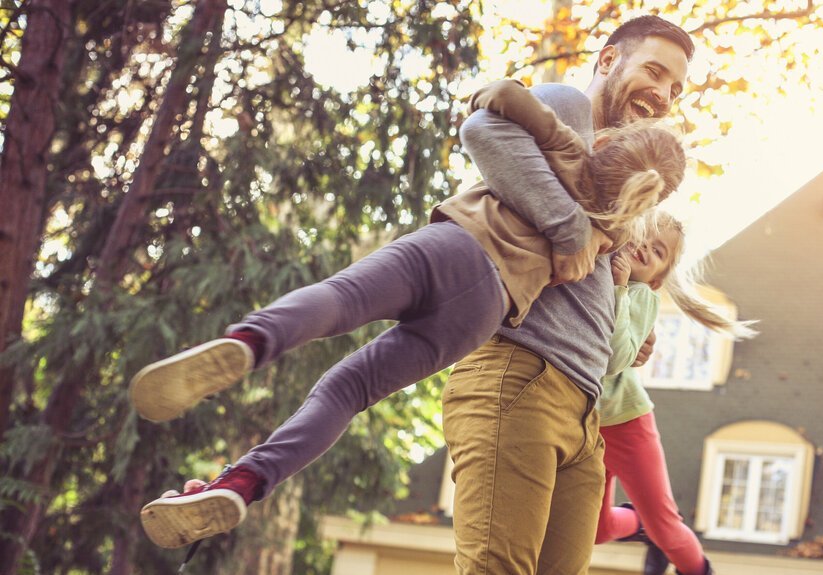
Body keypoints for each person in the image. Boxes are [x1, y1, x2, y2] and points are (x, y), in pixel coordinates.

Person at [133, 77, 686, 549]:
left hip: (458, 251)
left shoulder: (569, 148)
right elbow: (599, 292)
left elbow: (498, 99)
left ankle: (251, 341)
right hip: (482, 315)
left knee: (342, 300)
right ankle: (245, 482)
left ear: (604, 141)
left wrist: (499, 97)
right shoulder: (608, 236)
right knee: (350, 390)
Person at [440, 15, 698, 575]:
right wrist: (570, 230)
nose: (663, 94)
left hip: (584, 409)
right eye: (654, 72)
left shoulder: (624, 169)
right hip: (521, 375)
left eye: (675, 89)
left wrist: (623, 328)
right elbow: (481, 129)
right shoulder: (569, 108)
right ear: (608, 60)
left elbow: (594, 277)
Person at [596, 212, 754, 575]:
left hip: (626, 420)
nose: (644, 248)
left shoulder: (640, 295)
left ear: (657, 280)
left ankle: (698, 569)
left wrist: (619, 288)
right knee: (596, 530)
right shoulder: (600, 270)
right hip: (590, 425)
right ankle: (637, 523)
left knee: (664, 526)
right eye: (642, 236)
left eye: (658, 251)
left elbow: (615, 358)